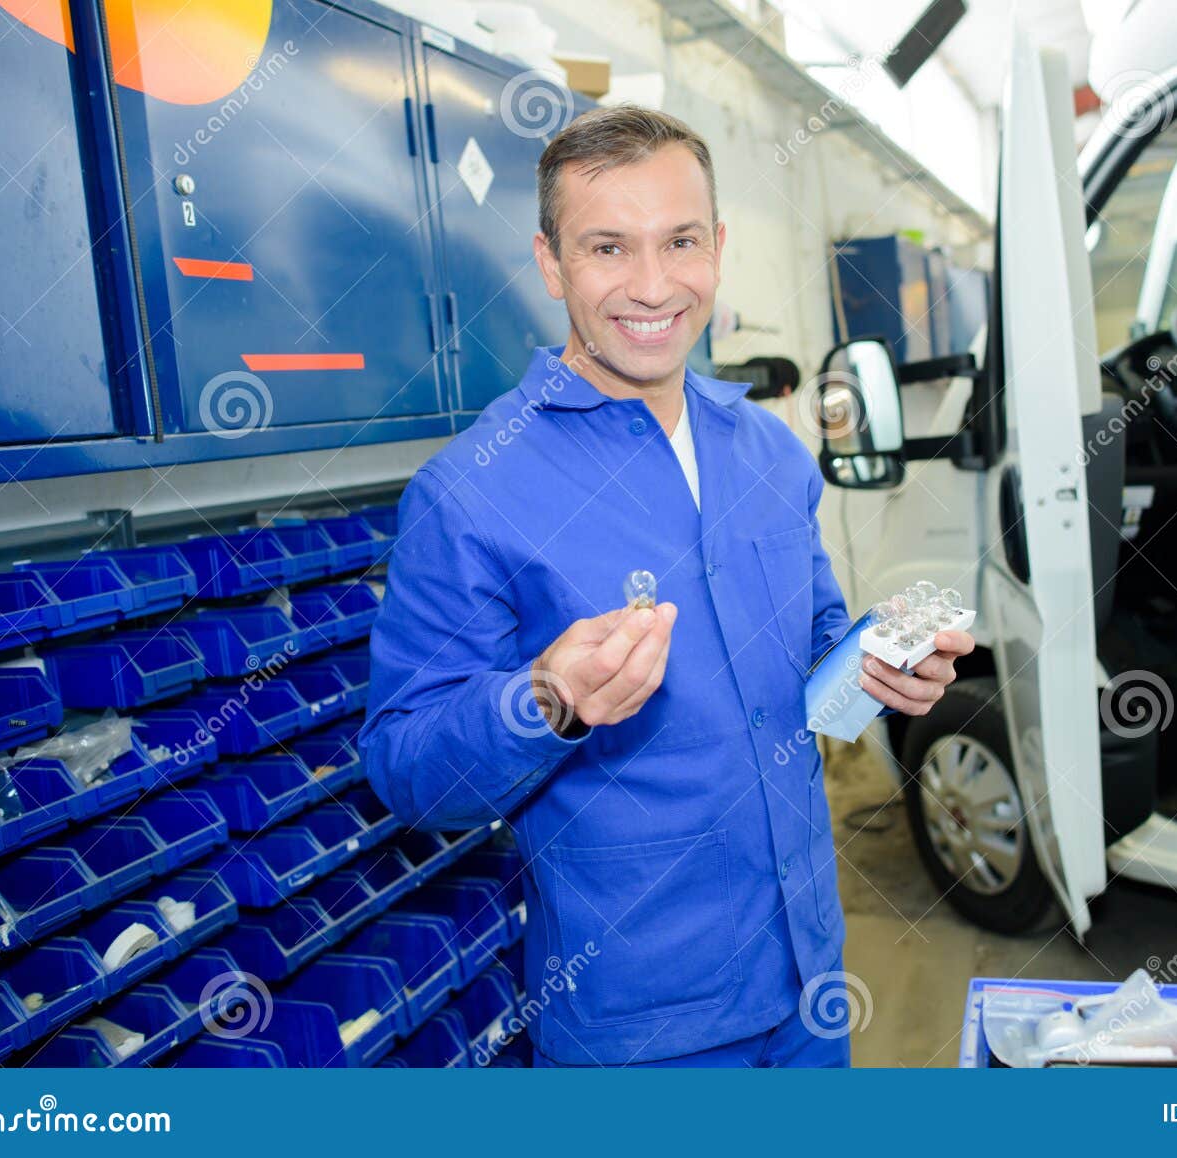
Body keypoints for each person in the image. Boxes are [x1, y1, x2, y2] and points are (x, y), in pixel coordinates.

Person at [359, 105, 973, 1067]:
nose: (652, 286)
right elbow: (403, 769)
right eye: (608, 247)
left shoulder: (767, 451)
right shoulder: (472, 492)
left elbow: (811, 673)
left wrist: (876, 670)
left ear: (717, 247)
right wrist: (546, 702)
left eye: (680, 240)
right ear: (553, 263)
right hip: (641, 1028)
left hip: (812, 981)